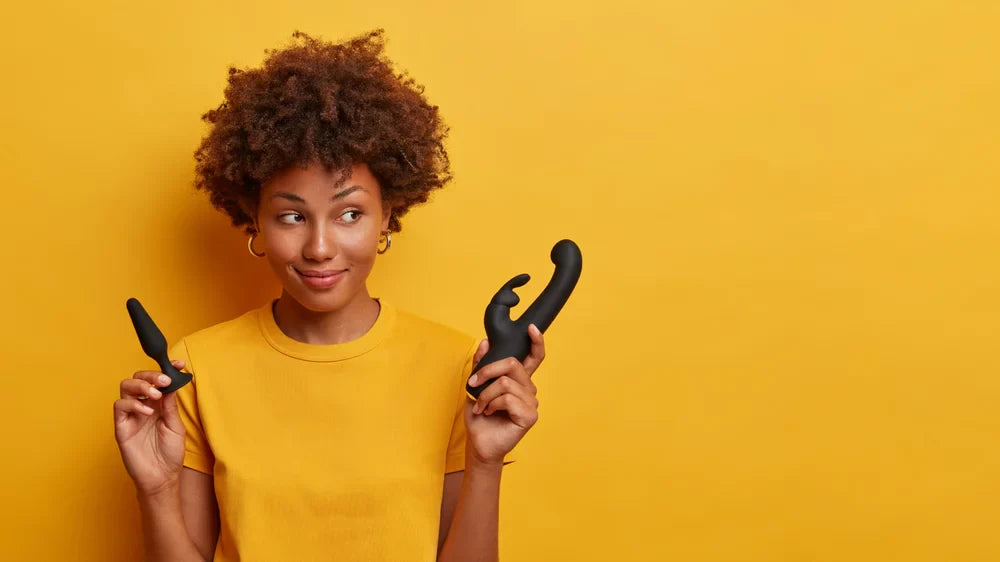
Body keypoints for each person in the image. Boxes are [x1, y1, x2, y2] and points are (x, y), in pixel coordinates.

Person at [112, 29, 544, 562]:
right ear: (255, 220)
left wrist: (485, 462)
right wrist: (155, 491)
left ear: (386, 215)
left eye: (349, 214)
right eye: (292, 216)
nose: (319, 248)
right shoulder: (196, 370)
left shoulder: (463, 370)